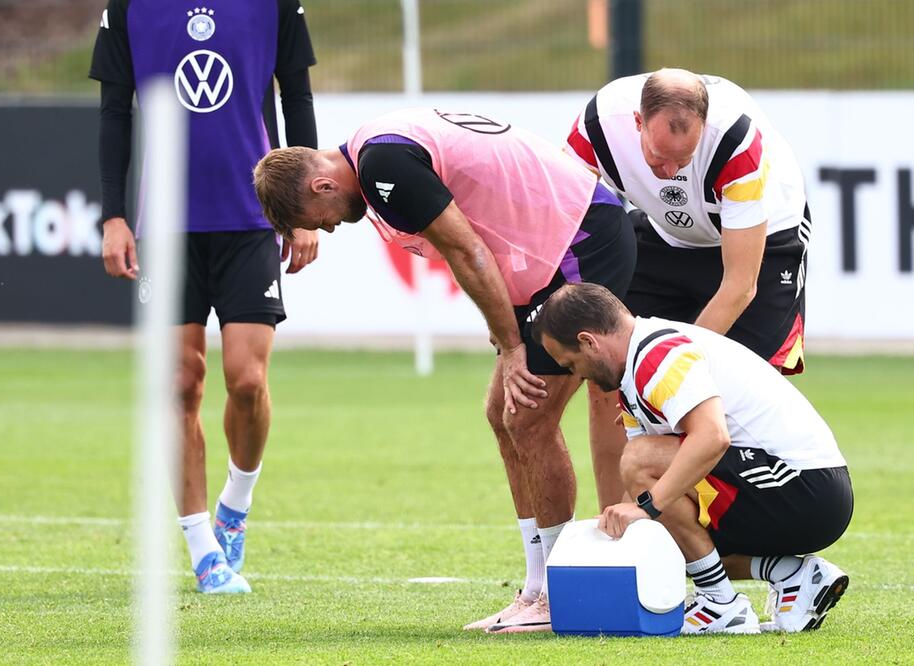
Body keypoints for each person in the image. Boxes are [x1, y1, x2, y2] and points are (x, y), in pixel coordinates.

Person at [252, 107, 636, 632]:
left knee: (527, 418)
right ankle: (536, 588)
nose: (330, 227)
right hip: (550, 252)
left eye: (321, 219)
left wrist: (511, 345)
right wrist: (508, 332)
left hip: (579, 240)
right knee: (502, 415)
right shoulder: (375, 153)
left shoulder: (383, 164)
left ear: (322, 185)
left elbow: (468, 250)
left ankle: (559, 592)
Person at [89, 0, 320, 593]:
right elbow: (115, 113)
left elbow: (297, 98)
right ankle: (201, 547)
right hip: (165, 226)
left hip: (249, 220)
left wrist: (303, 211)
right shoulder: (129, 8)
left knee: (245, 380)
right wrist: (113, 216)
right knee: (179, 384)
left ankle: (234, 508)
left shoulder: (273, 6)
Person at [532, 283, 852, 634]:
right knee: (664, 539)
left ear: (589, 341)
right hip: (792, 490)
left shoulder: (659, 355)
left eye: (571, 363)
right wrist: (613, 536)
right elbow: (643, 487)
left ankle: (720, 603)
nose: (577, 375)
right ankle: (792, 574)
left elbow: (712, 437)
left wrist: (646, 508)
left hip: (808, 490)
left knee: (643, 471)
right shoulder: (633, 372)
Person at [564, 67, 814, 508]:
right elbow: (563, 222)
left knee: (738, 399)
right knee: (607, 372)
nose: (671, 171)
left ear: (704, 125)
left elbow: (740, 285)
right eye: (658, 156)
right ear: (637, 122)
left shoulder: (735, 142)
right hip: (665, 238)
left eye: (684, 157)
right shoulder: (597, 128)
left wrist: (668, 366)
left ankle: (752, 552)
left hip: (763, 240)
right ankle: (615, 532)